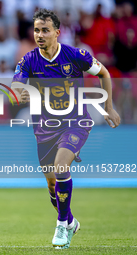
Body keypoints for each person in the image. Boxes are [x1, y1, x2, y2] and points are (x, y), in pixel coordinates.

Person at [10, 9, 120, 249]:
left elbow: (104, 73)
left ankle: (61, 225)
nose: (40, 35)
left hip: (75, 122)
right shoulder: (28, 59)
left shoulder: (75, 55)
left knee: (61, 167)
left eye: (45, 30)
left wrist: (108, 107)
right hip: (45, 127)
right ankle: (70, 220)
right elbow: (17, 84)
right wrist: (20, 93)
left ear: (57, 33)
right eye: (37, 30)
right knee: (52, 184)